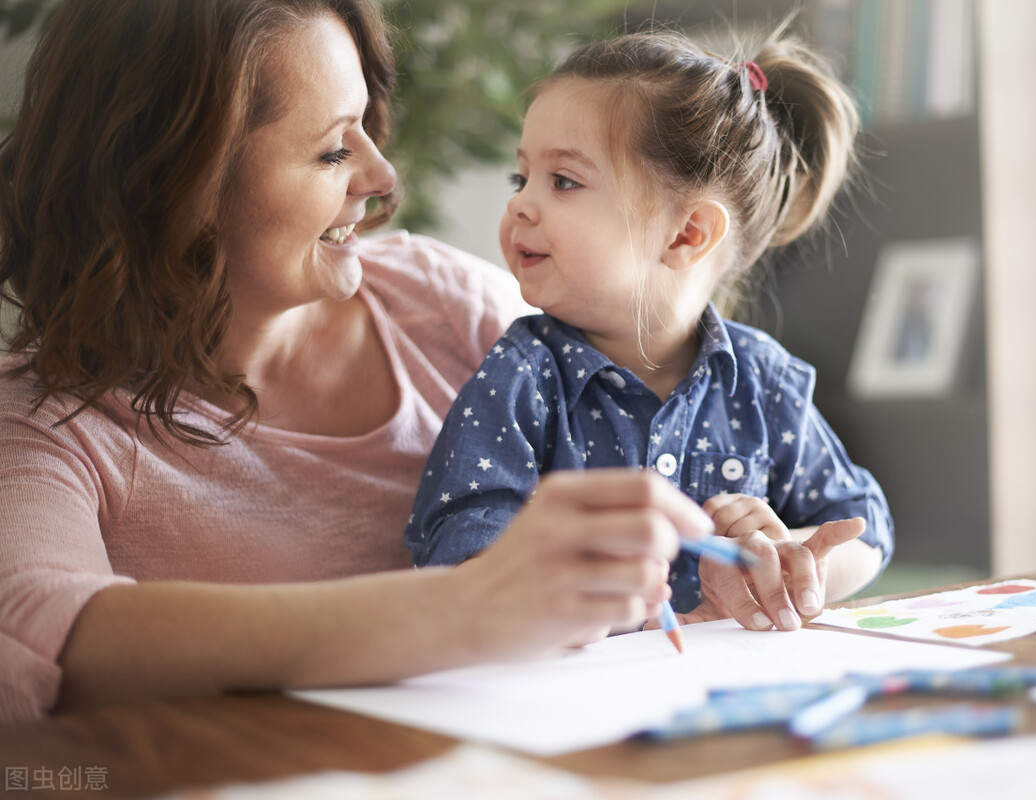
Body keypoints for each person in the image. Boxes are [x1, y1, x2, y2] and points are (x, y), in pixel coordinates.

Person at [0, 0, 718, 724]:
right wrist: (468, 606)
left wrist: (741, 535)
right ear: (174, 183)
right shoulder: (45, 423)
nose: (381, 176)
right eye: (334, 151)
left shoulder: (448, 308)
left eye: (365, 127)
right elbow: (37, 631)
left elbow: (671, 452)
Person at [405, 28, 893, 634]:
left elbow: (864, 527)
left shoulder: (764, 382)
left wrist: (789, 559)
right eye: (520, 178)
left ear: (688, 235)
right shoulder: (522, 374)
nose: (520, 205)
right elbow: (458, 549)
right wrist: (562, 586)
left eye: (563, 181)